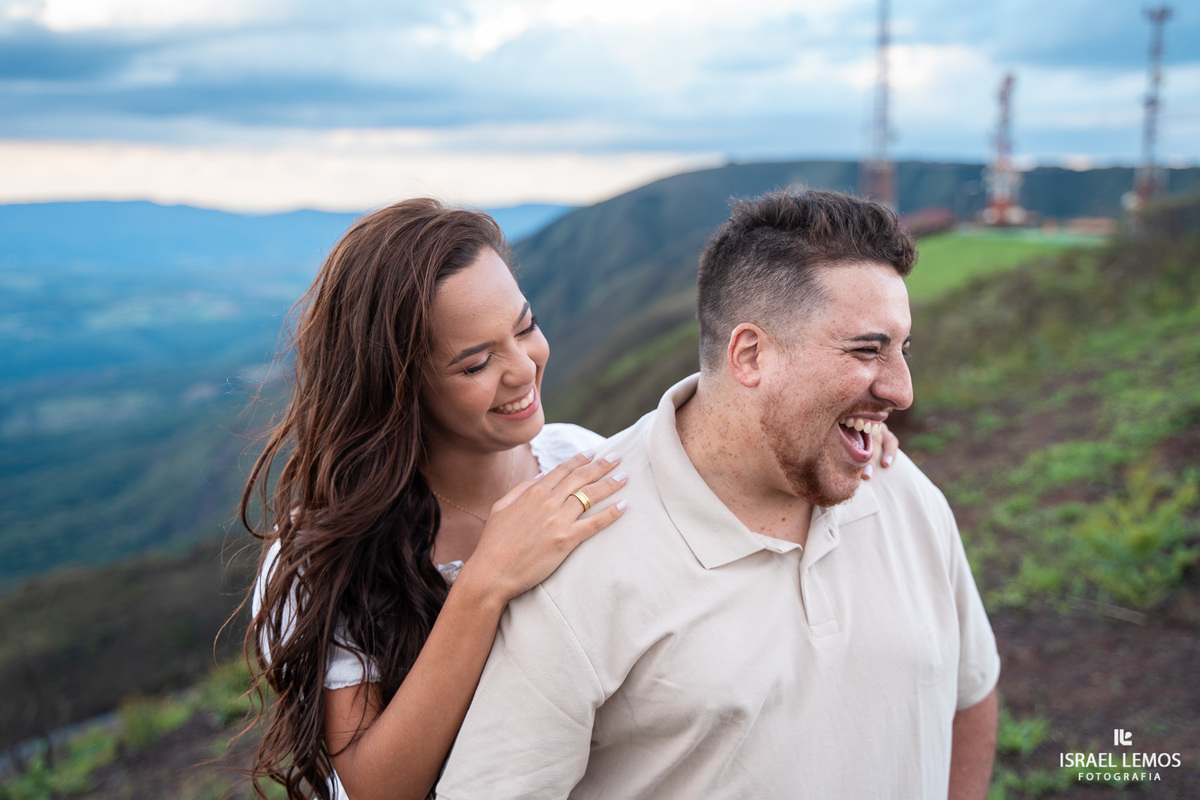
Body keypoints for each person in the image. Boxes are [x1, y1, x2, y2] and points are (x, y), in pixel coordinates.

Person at [243, 198, 901, 800]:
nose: (523, 368)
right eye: (475, 363)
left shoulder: (582, 462)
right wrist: (486, 582)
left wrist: (839, 437)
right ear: (396, 388)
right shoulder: (322, 554)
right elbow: (378, 789)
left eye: (524, 327)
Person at [436, 190, 1001, 800]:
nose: (902, 390)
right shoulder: (576, 546)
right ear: (751, 355)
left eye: (902, 348)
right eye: (867, 349)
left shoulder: (903, 491)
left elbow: (969, 696)